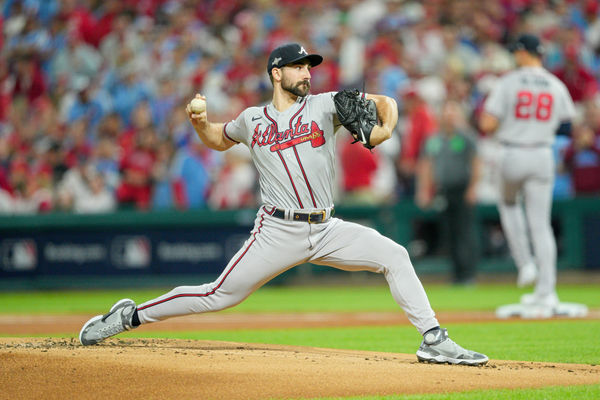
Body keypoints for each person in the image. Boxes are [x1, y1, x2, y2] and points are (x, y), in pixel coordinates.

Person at [79, 43, 488, 366]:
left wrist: (384, 129)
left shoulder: (326, 104)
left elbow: (387, 104)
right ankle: (130, 316)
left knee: (395, 255)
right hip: (277, 230)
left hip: (327, 228)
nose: (306, 73)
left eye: (308, 66)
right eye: (297, 66)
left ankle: (434, 339)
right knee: (218, 295)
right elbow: (220, 139)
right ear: (277, 73)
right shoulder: (252, 119)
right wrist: (200, 124)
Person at [479, 34, 576, 314]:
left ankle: (525, 264)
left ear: (524, 53)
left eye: (517, 52)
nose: (514, 56)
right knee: (541, 225)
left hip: (512, 152)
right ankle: (547, 291)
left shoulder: (508, 81)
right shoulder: (555, 84)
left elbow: (487, 123)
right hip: (543, 154)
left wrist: (514, 125)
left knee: (508, 204)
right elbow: (567, 126)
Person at [416, 100, 481, 285]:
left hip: (461, 189)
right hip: (443, 191)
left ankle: (468, 274)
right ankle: (456, 274)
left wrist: (472, 188)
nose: (449, 118)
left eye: (452, 114)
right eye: (446, 114)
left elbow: (476, 162)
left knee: (465, 232)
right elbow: (426, 164)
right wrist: (424, 190)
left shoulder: (466, 137)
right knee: (449, 233)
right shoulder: (434, 139)